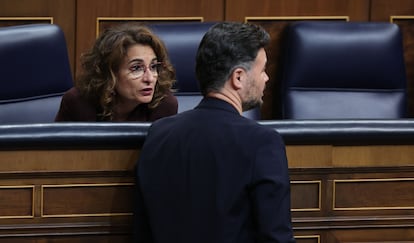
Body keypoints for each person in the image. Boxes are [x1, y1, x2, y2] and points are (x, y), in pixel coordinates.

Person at [135, 22, 296, 243]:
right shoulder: (262, 142)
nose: (266, 78)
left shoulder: (159, 134)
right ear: (238, 77)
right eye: (263, 70)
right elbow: (276, 237)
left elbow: (143, 231)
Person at [55, 23, 177, 122]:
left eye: (153, 66)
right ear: (110, 73)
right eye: (136, 68)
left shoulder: (164, 104)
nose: (149, 78)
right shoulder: (78, 103)